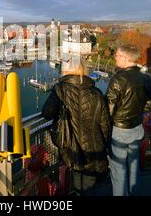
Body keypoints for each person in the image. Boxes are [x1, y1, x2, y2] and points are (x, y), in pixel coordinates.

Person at [41, 59, 112, 196]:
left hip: (71, 147)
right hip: (94, 148)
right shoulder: (96, 93)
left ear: (66, 71)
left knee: (77, 184)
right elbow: (105, 127)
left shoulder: (60, 90)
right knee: (90, 186)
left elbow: (46, 113)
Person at [106, 44, 151, 196]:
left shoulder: (117, 79)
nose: (115, 57)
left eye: (117, 55)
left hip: (119, 131)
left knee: (118, 169)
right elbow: (149, 105)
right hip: (137, 128)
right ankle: (134, 192)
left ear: (125, 59)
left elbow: (109, 109)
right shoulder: (146, 78)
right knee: (134, 165)